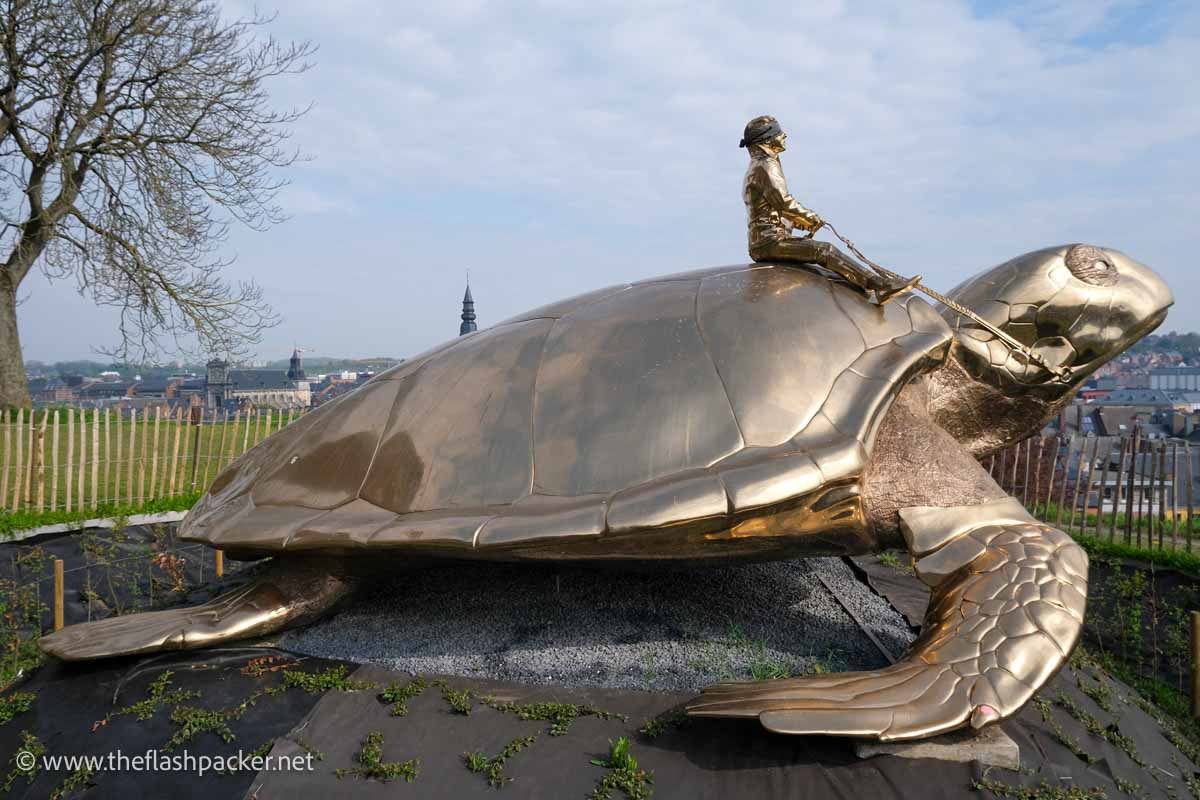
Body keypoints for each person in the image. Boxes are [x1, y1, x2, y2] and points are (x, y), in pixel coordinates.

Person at [740, 115, 919, 305]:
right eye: (778, 133)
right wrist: (811, 219)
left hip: (769, 239)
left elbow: (773, 209)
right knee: (824, 250)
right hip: (769, 242)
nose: (784, 135)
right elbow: (783, 203)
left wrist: (797, 222)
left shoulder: (759, 166)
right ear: (767, 140)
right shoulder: (766, 166)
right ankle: (878, 285)